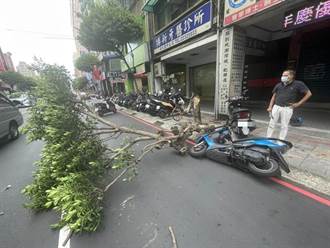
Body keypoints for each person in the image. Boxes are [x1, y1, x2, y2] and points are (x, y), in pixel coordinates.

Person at [266, 70, 312, 140]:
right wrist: (270, 107)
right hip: (276, 107)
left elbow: (309, 94)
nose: (283, 77)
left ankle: (281, 140)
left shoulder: (298, 84)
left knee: (284, 126)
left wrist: (298, 104)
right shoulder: (278, 85)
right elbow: (273, 96)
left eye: (285, 75)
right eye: (283, 75)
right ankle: (268, 138)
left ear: (291, 76)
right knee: (271, 124)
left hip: (287, 109)